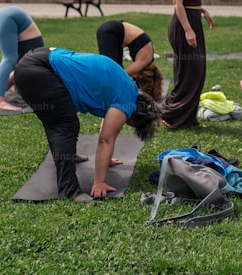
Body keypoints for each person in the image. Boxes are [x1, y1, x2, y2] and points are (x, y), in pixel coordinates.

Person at [12, 47, 158, 200]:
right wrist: (100, 182)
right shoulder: (126, 103)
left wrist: (106, 159)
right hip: (39, 72)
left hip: (34, 60)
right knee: (65, 126)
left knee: (59, 119)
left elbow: (106, 128)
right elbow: (106, 140)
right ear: (136, 117)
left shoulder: (127, 87)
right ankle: (68, 190)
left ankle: (67, 155)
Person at [159, 0, 213, 129]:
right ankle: (170, 115)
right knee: (188, 73)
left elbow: (190, 1)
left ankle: (188, 117)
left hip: (193, 21)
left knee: (197, 72)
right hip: (184, 27)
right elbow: (178, 4)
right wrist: (188, 30)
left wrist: (202, 10)